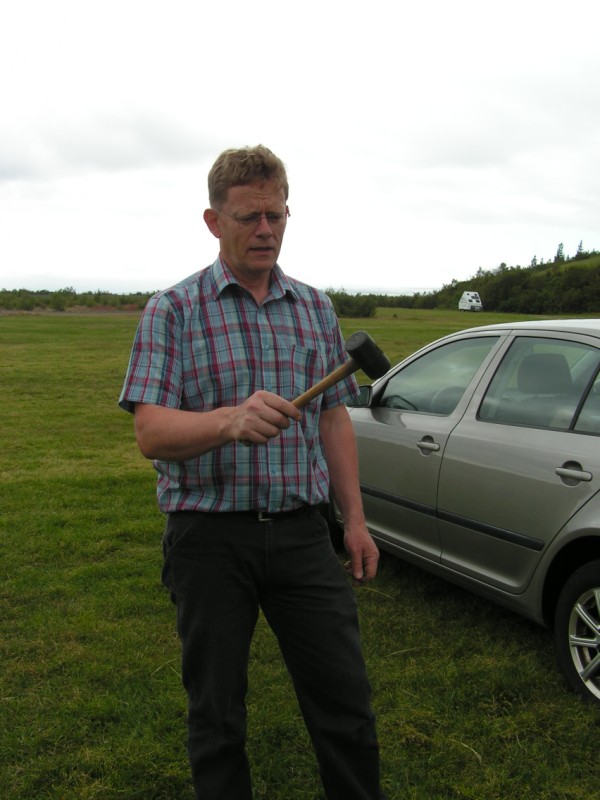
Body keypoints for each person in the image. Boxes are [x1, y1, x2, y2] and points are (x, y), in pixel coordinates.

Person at [119, 145, 387, 800]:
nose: (265, 230)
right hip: (208, 539)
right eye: (248, 218)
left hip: (303, 535)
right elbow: (150, 433)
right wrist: (227, 421)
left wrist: (354, 520)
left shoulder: (315, 308)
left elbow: (333, 419)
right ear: (214, 222)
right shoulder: (173, 310)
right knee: (216, 712)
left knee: (345, 704)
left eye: (276, 215)